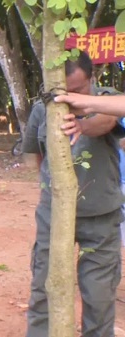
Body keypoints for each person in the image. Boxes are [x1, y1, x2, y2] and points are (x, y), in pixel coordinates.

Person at [22, 51, 123, 337]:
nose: (69, 97)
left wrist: (82, 124)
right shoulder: (44, 107)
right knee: (44, 288)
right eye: (64, 91)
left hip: (101, 218)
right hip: (53, 215)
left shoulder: (108, 99)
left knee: (99, 296)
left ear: (92, 79)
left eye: (77, 90)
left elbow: (108, 121)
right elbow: (37, 155)